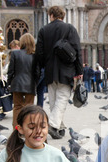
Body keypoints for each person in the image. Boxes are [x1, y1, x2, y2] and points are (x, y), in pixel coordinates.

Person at [36, 5, 83, 140]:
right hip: (66, 70)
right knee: (62, 99)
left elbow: (39, 53)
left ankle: (59, 128)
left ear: (51, 15)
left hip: (50, 71)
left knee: (53, 100)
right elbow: (78, 50)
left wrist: (43, 67)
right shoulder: (70, 29)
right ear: (63, 16)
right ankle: (52, 124)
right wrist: (79, 71)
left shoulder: (43, 30)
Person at [7, 33, 40, 129]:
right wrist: (35, 83)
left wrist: (9, 83)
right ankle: (29, 128)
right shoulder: (35, 55)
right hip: (30, 84)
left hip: (17, 84)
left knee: (17, 107)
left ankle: (16, 129)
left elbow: (10, 71)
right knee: (29, 108)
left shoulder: (15, 53)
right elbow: (38, 73)